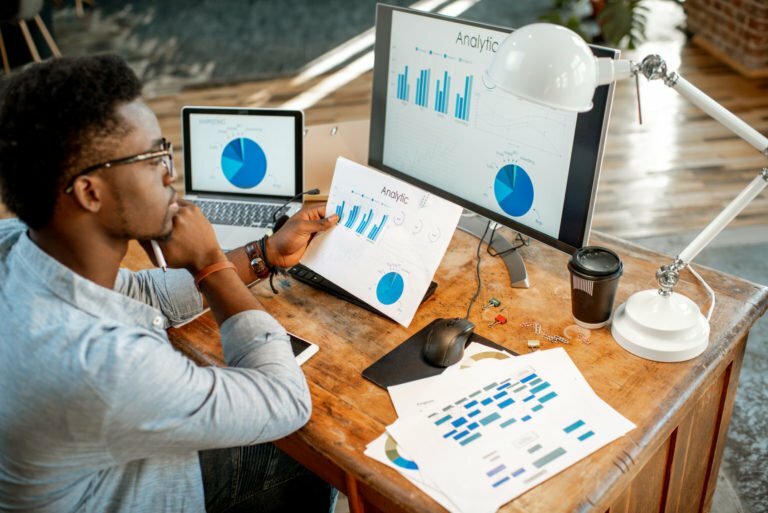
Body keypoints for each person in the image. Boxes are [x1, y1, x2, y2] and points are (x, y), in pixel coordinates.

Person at [0, 54, 340, 512]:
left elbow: (142, 294)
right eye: (152, 157)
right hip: (147, 491)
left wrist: (264, 254)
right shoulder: (100, 363)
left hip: (102, 464)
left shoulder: (17, 245)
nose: (169, 174)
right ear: (89, 192)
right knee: (321, 447)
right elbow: (284, 401)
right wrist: (209, 263)